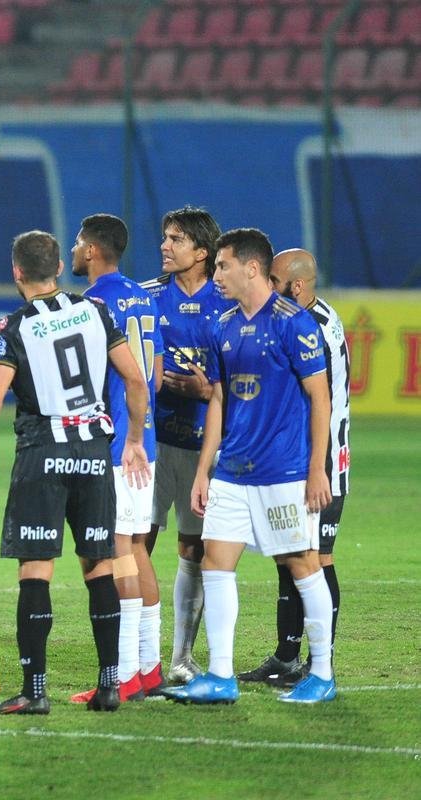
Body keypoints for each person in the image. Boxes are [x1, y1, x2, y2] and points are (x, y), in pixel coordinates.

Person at [0, 230, 152, 715]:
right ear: (59, 268)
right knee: (99, 566)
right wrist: (133, 441)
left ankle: (35, 690)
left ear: (16, 271)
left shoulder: (11, 328)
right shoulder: (96, 312)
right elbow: (135, 378)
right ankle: (110, 685)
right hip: (92, 450)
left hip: (43, 450)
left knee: (35, 570)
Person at [169, 228, 337, 705]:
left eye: (221, 266)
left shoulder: (294, 323)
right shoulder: (221, 325)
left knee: (303, 564)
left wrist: (316, 468)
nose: (215, 275)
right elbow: (218, 399)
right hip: (231, 473)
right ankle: (221, 676)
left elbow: (320, 398)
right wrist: (205, 470)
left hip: (282, 474)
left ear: (251, 268)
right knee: (215, 564)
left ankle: (322, 673)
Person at [237, 248, 350, 688]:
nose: (269, 286)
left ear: (296, 286)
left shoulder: (314, 329)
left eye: (276, 279)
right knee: (289, 559)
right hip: (298, 461)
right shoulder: (314, 316)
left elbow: (314, 402)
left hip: (320, 463)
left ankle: (322, 661)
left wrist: (315, 468)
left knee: (317, 559)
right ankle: (287, 656)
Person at [70, 214, 164, 704]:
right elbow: (158, 372)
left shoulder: (92, 304)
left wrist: (122, 434)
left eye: (77, 243)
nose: (72, 250)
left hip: (115, 446)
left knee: (118, 551)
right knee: (137, 548)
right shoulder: (145, 297)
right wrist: (142, 429)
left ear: (90, 250)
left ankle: (124, 673)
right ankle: (149, 668)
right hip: (142, 441)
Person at [139, 206, 232, 684]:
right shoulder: (148, 297)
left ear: (202, 251)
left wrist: (208, 391)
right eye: (165, 236)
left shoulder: (227, 301)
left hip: (205, 450)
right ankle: (135, 655)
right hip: (152, 446)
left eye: (175, 238)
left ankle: (180, 656)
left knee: (192, 549)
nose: (165, 246)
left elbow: (247, 377)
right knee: (137, 543)